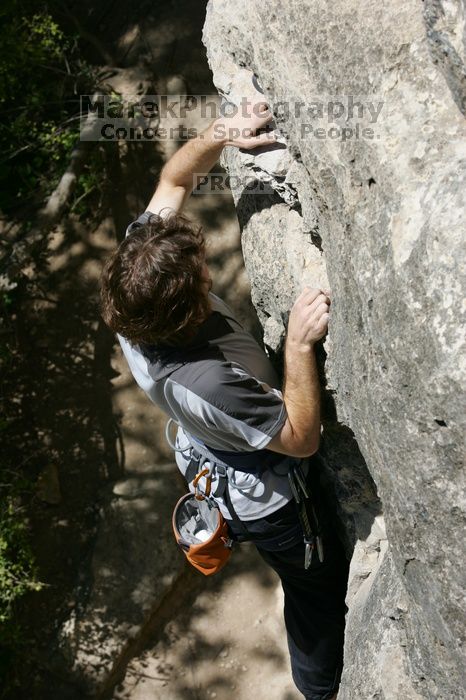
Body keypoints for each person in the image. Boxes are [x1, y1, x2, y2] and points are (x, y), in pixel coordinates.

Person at [100, 95, 349, 700]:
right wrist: (295, 347)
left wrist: (222, 131)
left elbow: (174, 176)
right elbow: (300, 439)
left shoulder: (140, 276)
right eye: (203, 274)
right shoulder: (201, 379)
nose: (208, 262)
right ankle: (320, 692)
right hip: (274, 501)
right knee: (317, 594)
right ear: (188, 310)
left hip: (213, 446)